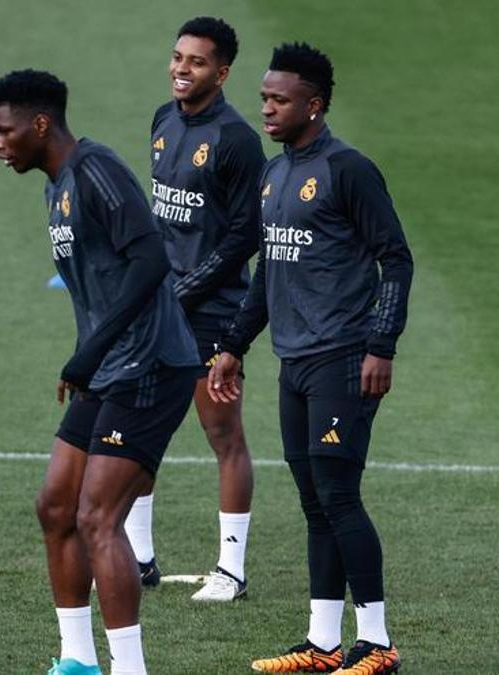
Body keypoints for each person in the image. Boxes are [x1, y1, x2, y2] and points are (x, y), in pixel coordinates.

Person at [207, 43, 413, 675]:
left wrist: (382, 346)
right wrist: (232, 347)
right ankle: (323, 644)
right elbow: (269, 271)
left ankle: (376, 644)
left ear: (314, 106)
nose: (265, 108)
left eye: (279, 99)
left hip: (344, 359)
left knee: (338, 494)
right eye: (264, 97)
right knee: (313, 500)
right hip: (293, 361)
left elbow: (396, 259)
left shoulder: (349, 169)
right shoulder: (274, 174)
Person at [0, 69, 202, 675]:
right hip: (109, 366)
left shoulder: (96, 171)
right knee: (56, 506)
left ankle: (130, 669)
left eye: (5, 131)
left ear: (39, 124)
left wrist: (90, 350)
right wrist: (92, 354)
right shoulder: (54, 187)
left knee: (97, 516)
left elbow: (151, 259)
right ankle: (77, 661)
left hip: (152, 365)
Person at [126, 15, 266, 602]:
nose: (182, 68)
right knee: (134, 429)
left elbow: (247, 234)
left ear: (223, 71)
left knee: (221, 433)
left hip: (213, 311)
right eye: (178, 57)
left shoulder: (235, 139)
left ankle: (230, 570)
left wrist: (186, 292)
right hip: (163, 305)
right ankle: (138, 557)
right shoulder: (163, 120)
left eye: (197, 61)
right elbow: (164, 218)